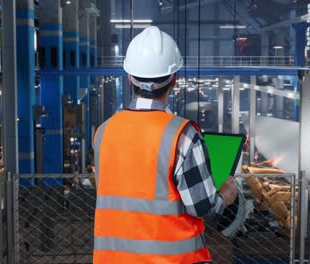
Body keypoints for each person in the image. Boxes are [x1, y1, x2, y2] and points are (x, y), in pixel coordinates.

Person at [92, 26, 238, 264]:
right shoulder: (183, 135)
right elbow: (203, 207)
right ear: (175, 79)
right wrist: (225, 196)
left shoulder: (104, 131)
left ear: (130, 77)